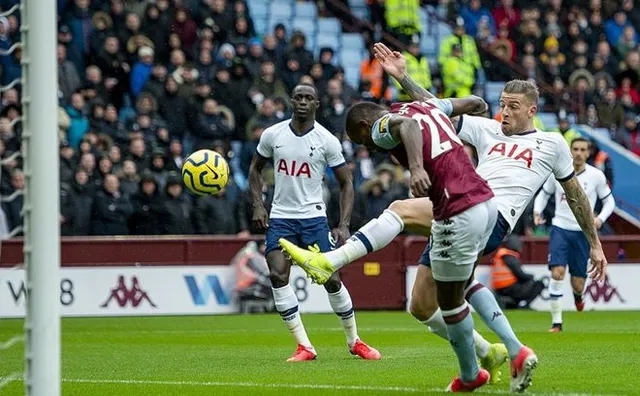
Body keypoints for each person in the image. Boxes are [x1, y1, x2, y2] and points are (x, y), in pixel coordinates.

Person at [282, 43, 608, 393]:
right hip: (461, 205)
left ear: (532, 110)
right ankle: (494, 352)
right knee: (422, 304)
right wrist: (404, 78)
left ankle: (329, 261)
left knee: (401, 211)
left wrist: (595, 244)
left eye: (513, 108)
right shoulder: (487, 129)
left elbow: (574, 195)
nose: (505, 113)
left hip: (488, 212)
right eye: (502, 106)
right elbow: (431, 111)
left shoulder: (552, 143)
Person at [282, 97, 499, 392]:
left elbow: (406, 126)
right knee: (421, 297)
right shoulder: (427, 105)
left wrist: (417, 168)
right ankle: (488, 352)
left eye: (363, 141)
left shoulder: (381, 125)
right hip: (484, 202)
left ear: (364, 126)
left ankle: (477, 371)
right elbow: (477, 103)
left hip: (458, 207)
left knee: (451, 303)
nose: (369, 147)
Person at [248, 84, 380, 362]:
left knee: (331, 279)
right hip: (281, 218)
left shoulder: (327, 140)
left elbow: (346, 183)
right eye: (299, 97)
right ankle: (304, 346)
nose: (303, 102)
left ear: (317, 104)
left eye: (309, 98)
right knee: (277, 275)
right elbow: (255, 168)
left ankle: (354, 340)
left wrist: (343, 224)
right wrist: (259, 204)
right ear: (291, 101)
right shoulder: (273, 134)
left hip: (314, 219)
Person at [533, 137, 615, 332]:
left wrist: (600, 219)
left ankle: (578, 297)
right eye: (575, 149)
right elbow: (544, 193)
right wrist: (538, 211)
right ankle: (557, 323)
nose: (578, 153)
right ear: (570, 151)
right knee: (557, 272)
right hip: (560, 228)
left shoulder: (596, 176)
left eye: (582, 149)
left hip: (583, 233)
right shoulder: (558, 173)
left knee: (577, 284)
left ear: (588, 153)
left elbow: (609, 202)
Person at [491, 235, 545, 309]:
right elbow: (521, 275)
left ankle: (514, 304)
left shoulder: (501, 255)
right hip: (510, 288)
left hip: (499, 290)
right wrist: (531, 276)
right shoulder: (510, 257)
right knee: (539, 284)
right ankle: (525, 305)